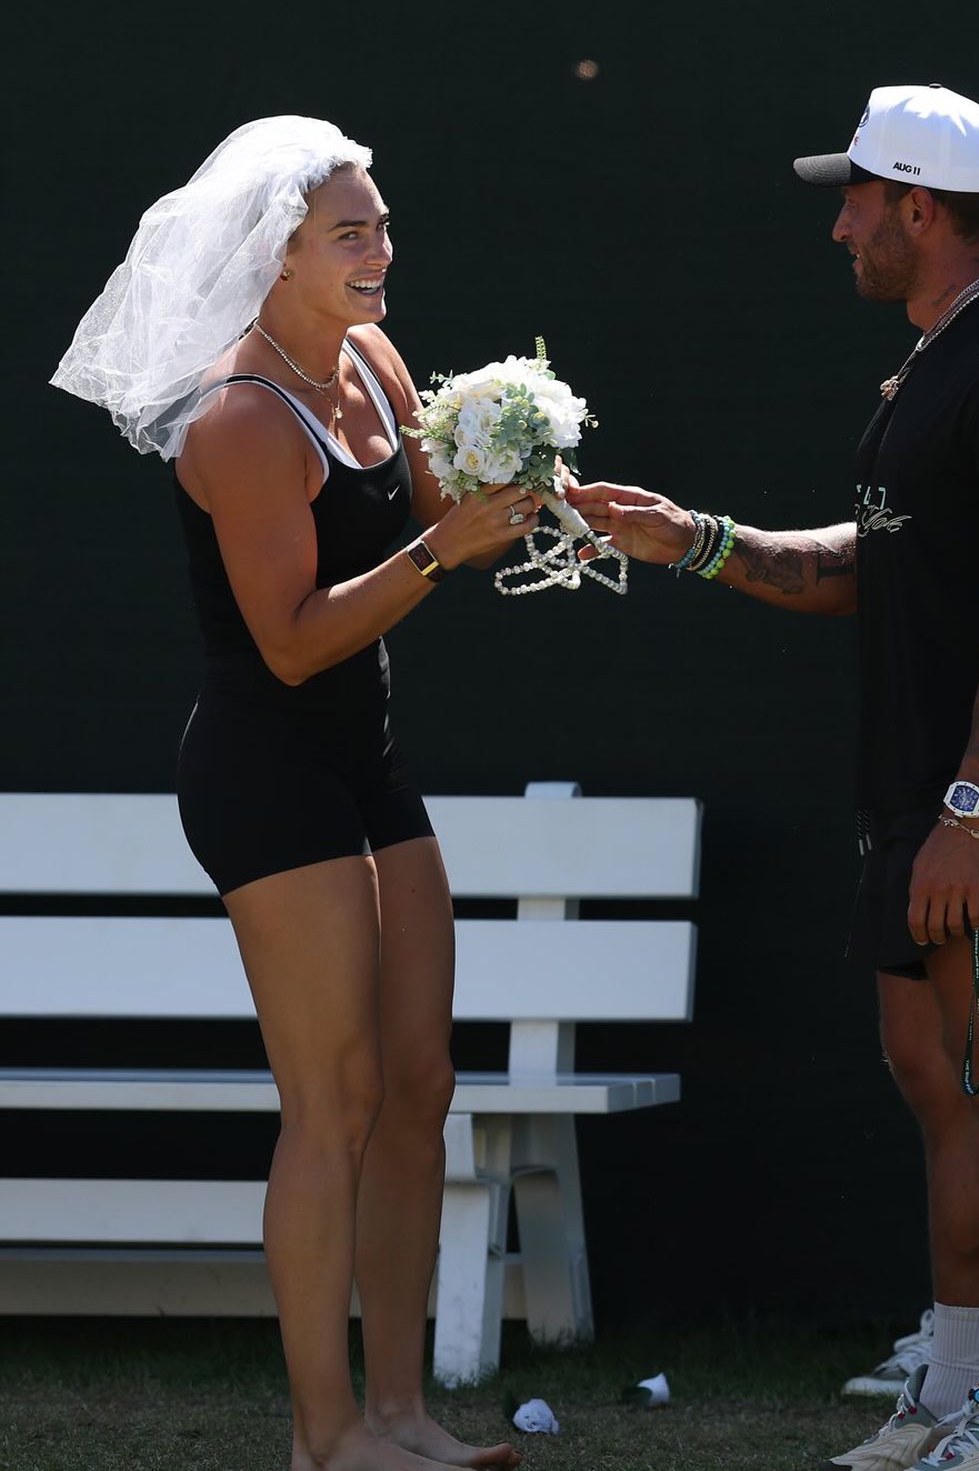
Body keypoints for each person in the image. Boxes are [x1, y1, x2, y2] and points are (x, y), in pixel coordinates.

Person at [569, 84, 979, 1471]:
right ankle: (959, 1380)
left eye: (857, 200)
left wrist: (972, 816)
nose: (840, 228)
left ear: (918, 209)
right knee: (936, 1075)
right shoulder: (935, 363)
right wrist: (691, 539)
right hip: (912, 800)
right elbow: (878, 565)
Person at [51, 117, 535, 1471]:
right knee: (332, 1099)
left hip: (363, 758)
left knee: (422, 1081)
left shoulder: (373, 362)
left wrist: (522, 487)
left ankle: (400, 1414)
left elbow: (444, 514)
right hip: (263, 770)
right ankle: (327, 1438)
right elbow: (297, 637)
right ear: (274, 256)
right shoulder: (241, 417)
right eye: (349, 234)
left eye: (380, 226)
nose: (380, 252)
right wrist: (447, 548)